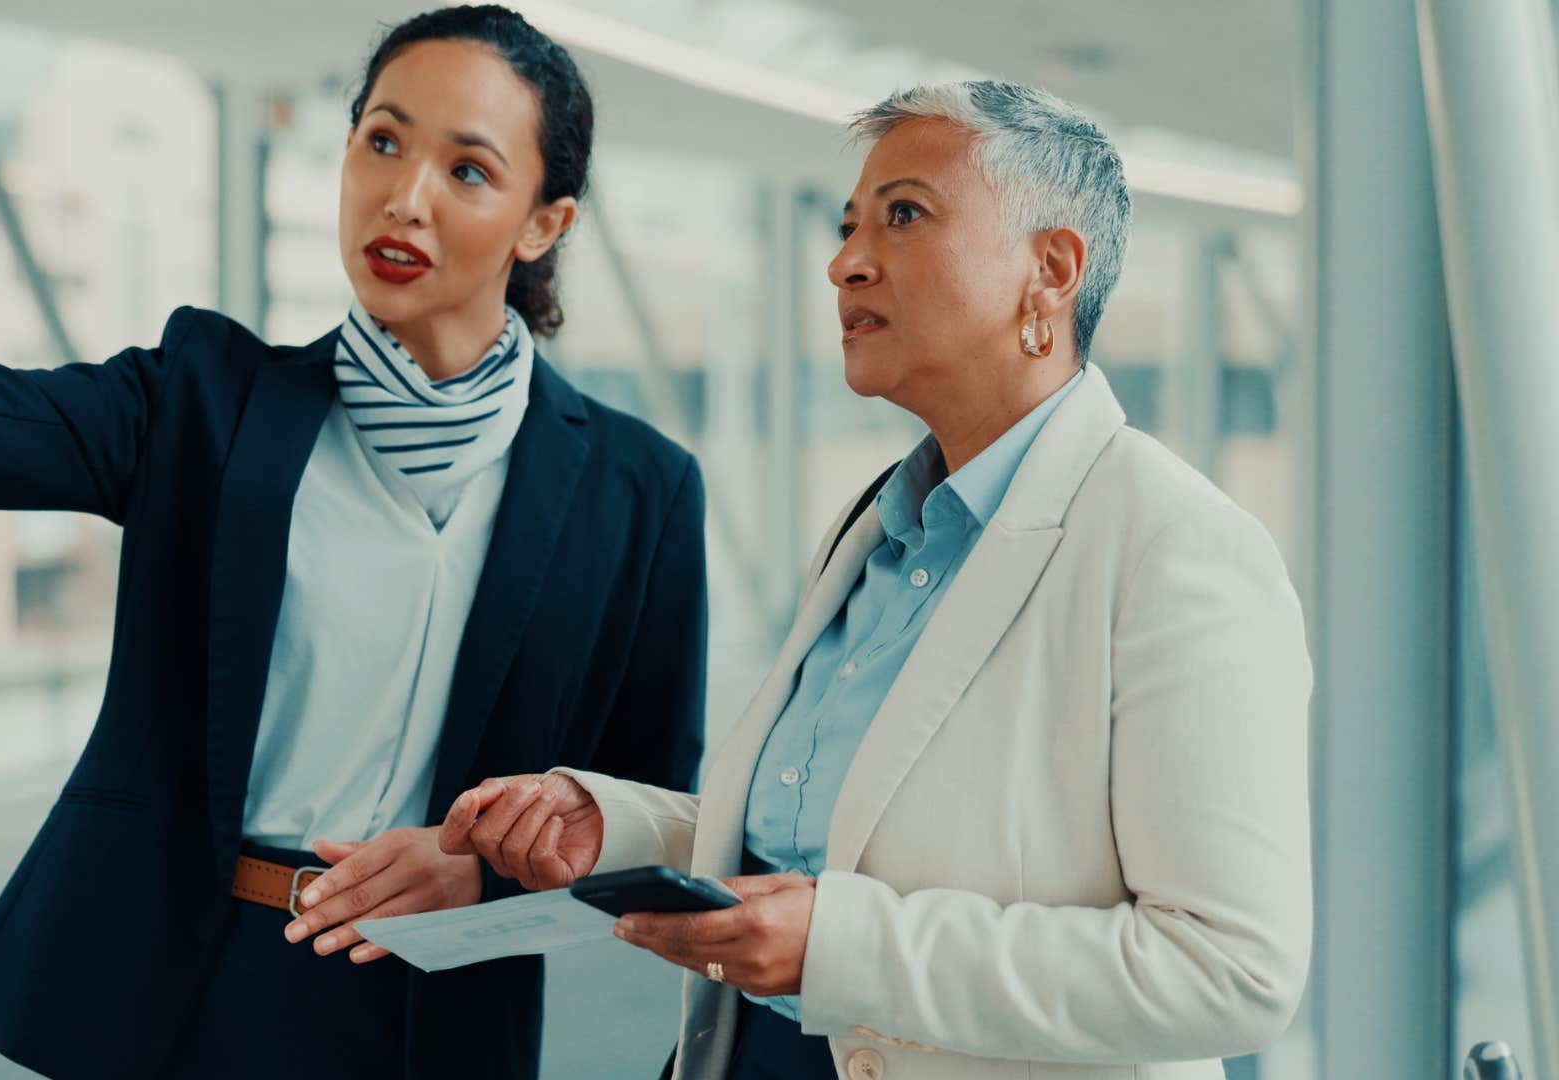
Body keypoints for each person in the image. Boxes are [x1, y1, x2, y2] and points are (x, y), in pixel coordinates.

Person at [0, 6, 705, 1077]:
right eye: (382, 141)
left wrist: (489, 872)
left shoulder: (638, 489)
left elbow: (656, 813)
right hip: (192, 979)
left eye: (468, 171)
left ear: (544, 223)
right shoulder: (206, 401)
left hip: (443, 1004)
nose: (405, 195)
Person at [441, 80, 1311, 1080]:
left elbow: (1232, 968)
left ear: (1052, 269)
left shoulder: (1174, 545)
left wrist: (845, 950)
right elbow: (832, 848)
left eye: (905, 214)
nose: (845, 261)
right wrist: (618, 830)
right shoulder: (878, 531)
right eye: (850, 223)